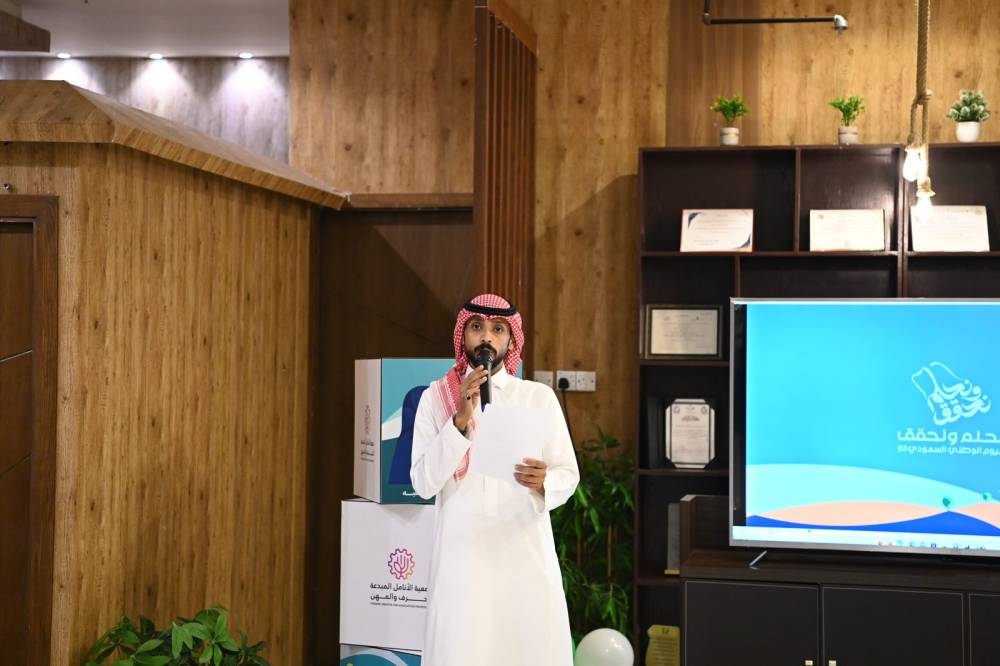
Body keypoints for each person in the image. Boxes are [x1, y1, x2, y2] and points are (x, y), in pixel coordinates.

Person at [410, 293, 580, 666]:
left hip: (523, 554)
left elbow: (568, 474)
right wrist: (459, 421)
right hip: (462, 558)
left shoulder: (538, 398)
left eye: (498, 329)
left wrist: (544, 481)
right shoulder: (436, 399)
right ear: (463, 335)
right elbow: (423, 482)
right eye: (477, 327)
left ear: (511, 341)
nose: (486, 337)